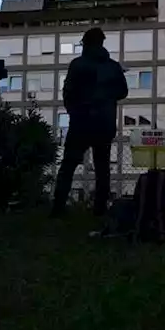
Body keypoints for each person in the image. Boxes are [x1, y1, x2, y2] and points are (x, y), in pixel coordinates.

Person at [52, 27, 128, 217]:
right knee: (102, 167)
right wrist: (106, 99)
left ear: (86, 43)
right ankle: (99, 209)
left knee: (68, 165)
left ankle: (58, 208)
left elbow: (68, 93)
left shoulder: (78, 65)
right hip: (104, 122)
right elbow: (123, 92)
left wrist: (75, 112)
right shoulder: (112, 66)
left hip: (82, 122)